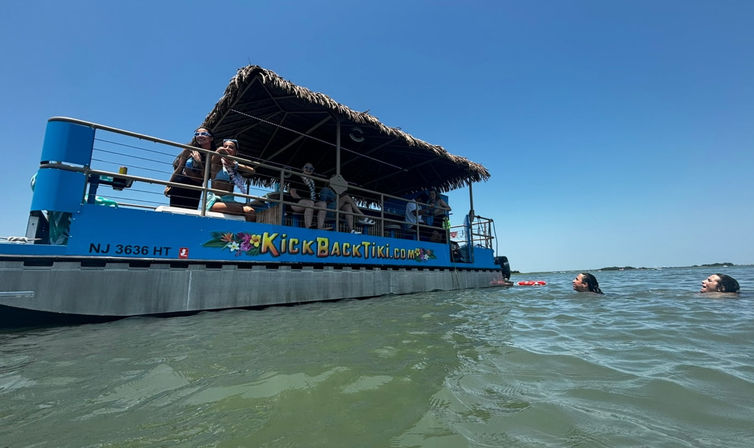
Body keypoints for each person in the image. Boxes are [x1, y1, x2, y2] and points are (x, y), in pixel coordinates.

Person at [205, 139, 256, 221]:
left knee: (251, 211)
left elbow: (252, 171)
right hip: (215, 202)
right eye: (225, 146)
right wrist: (226, 155)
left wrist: (235, 164)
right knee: (244, 209)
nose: (227, 148)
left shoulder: (234, 167)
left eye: (231, 147)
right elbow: (219, 150)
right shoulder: (216, 163)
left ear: (236, 152)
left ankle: (248, 234)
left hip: (230, 201)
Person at [165, 127, 213, 209]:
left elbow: (205, 178)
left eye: (203, 134)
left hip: (195, 187)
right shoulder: (189, 150)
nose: (200, 136)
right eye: (197, 134)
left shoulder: (213, 156)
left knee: (190, 213)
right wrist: (168, 185)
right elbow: (179, 169)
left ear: (211, 138)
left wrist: (199, 162)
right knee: (175, 213)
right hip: (179, 184)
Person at [288, 163, 330, 230]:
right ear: (302, 168)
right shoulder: (296, 178)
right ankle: (308, 227)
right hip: (296, 203)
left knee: (323, 204)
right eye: (306, 167)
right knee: (310, 203)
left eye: (311, 168)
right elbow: (293, 193)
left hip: (311, 203)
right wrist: (303, 200)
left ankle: (320, 227)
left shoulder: (313, 181)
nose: (308, 170)